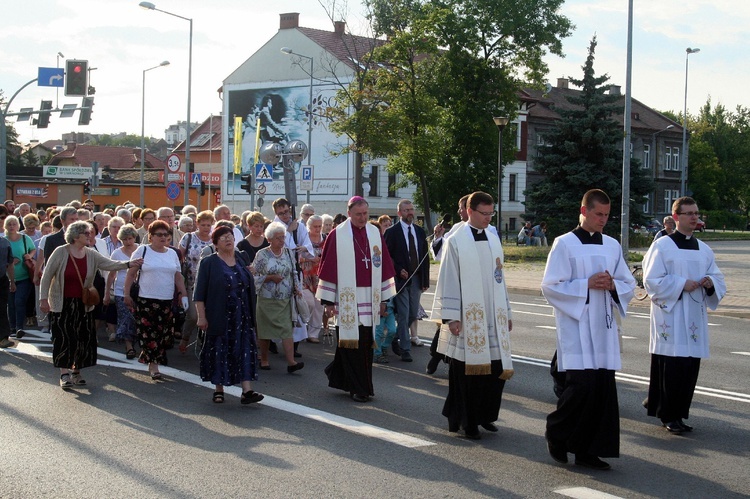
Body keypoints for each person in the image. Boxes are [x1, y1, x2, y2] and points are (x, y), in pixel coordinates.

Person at [541, 189, 635, 470]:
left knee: (601, 390)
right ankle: (556, 433)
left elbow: (627, 282)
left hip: (604, 327)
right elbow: (550, 286)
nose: (603, 219)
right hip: (577, 326)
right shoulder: (564, 244)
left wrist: (613, 285)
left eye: (607, 215)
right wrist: (586, 284)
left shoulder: (612, 245)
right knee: (580, 387)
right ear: (584, 211)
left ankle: (587, 450)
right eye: (598, 214)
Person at [431, 191, 514, 439]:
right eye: (484, 213)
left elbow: (501, 278)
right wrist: (452, 317)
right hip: (468, 317)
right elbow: (448, 279)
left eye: (491, 213)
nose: (489, 218)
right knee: (468, 373)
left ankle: (485, 414)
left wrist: (506, 311)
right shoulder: (456, 240)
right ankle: (468, 420)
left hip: (493, 315)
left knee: (495, 370)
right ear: (470, 211)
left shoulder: (493, 237)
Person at [643, 197, 726, 433]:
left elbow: (718, 277)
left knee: (689, 367)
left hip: (694, 317)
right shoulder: (662, 246)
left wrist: (710, 283)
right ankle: (668, 415)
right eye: (689, 213)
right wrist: (681, 284)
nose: (694, 217)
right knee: (672, 366)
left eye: (696, 213)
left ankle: (680, 413)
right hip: (670, 315)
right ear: (676, 217)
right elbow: (651, 280)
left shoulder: (704, 249)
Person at [39, 221, 142, 389]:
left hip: (84, 303)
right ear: (75, 236)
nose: (90, 236)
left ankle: (76, 371)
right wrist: (43, 299)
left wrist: (129, 264)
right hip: (62, 303)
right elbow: (47, 276)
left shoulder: (90, 253)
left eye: (90, 233)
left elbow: (108, 264)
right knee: (64, 337)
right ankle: (64, 373)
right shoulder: (60, 252)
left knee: (82, 338)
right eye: (86, 233)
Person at [316, 196, 396, 403]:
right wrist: (329, 302)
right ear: (349, 213)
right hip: (346, 297)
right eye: (358, 214)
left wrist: (384, 299)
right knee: (352, 342)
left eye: (365, 214)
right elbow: (329, 268)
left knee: (366, 342)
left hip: (371, 295)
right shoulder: (337, 234)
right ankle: (360, 388)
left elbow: (385, 264)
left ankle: (338, 374)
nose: (362, 218)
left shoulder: (374, 233)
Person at [194, 225, 264, 405]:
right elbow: (199, 294)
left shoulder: (241, 257)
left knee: (244, 350)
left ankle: (247, 391)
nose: (228, 239)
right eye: (223, 237)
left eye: (230, 236)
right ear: (215, 243)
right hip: (219, 314)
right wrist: (201, 317)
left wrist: (251, 274)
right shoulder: (208, 262)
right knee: (220, 350)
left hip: (242, 315)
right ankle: (219, 389)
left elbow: (248, 283)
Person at [123, 220, 188, 380]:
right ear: (150, 236)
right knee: (148, 334)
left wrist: (183, 294)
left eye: (166, 234)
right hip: (146, 300)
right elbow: (131, 274)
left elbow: (178, 276)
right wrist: (126, 294)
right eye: (159, 235)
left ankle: (152, 357)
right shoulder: (142, 250)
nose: (163, 237)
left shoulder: (172, 253)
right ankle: (153, 365)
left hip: (166, 300)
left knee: (163, 334)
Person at [252, 222, 304, 373]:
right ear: (269, 239)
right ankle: (264, 359)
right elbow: (254, 275)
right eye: (278, 238)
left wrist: (297, 288)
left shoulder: (288, 253)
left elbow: (294, 272)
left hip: (284, 298)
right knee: (265, 331)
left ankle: (291, 362)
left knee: (286, 329)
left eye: (283, 237)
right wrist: (270, 277)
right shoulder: (262, 255)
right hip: (266, 299)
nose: (282, 241)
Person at [384, 199, 430, 361]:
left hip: (417, 278)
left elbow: (425, 257)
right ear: (399, 213)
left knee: (413, 312)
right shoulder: (392, 232)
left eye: (411, 209)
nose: (410, 212)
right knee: (403, 313)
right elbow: (387, 256)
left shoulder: (419, 231)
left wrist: (425, 280)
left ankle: (396, 336)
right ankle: (405, 349)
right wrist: (398, 270)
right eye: (406, 210)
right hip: (400, 280)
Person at [177, 210, 215, 352]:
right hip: (191, 282)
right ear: (197, 224)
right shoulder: (188, 238)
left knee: (209, 315)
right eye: (203, 224)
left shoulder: (214, 240)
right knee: (193, 315)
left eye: (208, 225)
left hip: (209, 283)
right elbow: (178, 257)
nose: (206, 228)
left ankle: (204, 342)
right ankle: (185, 336)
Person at [105, 224, 140, 359]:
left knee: (137, 319)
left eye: (130, 238)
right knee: (125, 318)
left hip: (138, 290)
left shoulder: (141, 250)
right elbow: (111, 274)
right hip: (120, 290)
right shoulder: (117, 253)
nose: (128, 242)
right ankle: (129, 346)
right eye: (124, 239)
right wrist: (107, 292)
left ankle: (138, 344)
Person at [5, 215, 35, 339]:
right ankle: (12, 327)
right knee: (11, 304)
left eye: (14, 224)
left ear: (18, 225)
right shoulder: (3, 240)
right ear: (5, 226)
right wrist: (10, 261)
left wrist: (29, 256)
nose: (12, 226)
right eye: (9, 224)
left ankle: (19, 327)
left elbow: (33, 249)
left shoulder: (24, 238)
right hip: (7, 278)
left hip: (24, 277)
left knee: (19, 301)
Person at [372, 219, 397, 364]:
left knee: (393, 331)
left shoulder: (383, 250)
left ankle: (384, 347)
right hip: (378, 301)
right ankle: (377, 352)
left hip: (390, 302)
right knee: (379, 331)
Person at [299, 215, 325, 343]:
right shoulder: (304, 239)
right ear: (308, 226)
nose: (318, 229)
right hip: (305, 276)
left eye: (320, 226)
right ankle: (303, 328)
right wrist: (310, 258)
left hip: (320, 277)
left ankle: (313, 333)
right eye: (315, 226)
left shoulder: (324, 238)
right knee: (308, 302)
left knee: (319, 306)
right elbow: (297, 256)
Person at [0, 229, 15, 349]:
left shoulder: (5, 243)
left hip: (2, 279)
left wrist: (12, 281)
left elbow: (10, 263)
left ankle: (3, 337)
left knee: (2, 308)